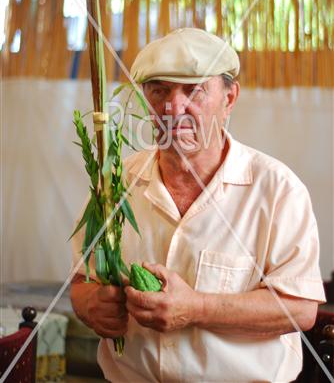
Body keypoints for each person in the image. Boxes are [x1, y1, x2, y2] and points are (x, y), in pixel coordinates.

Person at [71, 28, 326, 382]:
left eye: (194, 90)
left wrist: (195, 308)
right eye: (159, 90)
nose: (173, 107)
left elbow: (300, 310)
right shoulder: (114, 185)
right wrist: (89, 305)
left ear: (230, 98)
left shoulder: (278, 190)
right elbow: (82, 281)